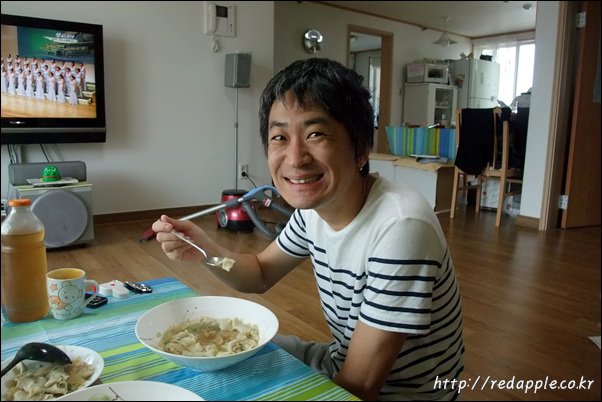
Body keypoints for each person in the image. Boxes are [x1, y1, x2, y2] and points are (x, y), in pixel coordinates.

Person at [152, 58, 464, 401]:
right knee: (214, 356)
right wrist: (205, 250)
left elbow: (359, 386)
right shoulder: (313, 211)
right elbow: (259, 273)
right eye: (280, 137)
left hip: (398, 395)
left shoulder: (400, 226)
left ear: (361, 148)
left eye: (316, 134)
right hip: (336, 361)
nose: (295, 158)